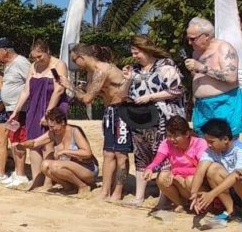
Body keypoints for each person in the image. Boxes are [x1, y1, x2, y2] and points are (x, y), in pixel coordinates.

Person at [125, 35, 186, 206]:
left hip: (162, 118)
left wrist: (151, 97)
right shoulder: (135, 70)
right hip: (140, 118)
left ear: (146, 49)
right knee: (140, 154)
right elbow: (127, 92)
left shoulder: (165, 65)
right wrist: (128, 79)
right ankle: (139, 197)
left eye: (136, 52)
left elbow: (177, 89)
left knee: (163, 155)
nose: (134, 56)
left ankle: (164, 199)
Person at [69, 43, 131, 203]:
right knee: (108, 153)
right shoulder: (92, 73)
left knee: (120, 154)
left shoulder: (101, 70)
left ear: (82, 57)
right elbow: (89, 94)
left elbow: (88, 99)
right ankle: (105, 190)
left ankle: (118, 191)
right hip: (110, 110)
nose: (76, 65)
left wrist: (69, 86)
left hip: (122, 110)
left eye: (75, 61)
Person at [10, 40, 69, 189]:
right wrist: (16, 111)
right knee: (33, 142)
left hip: (53, 107)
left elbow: (59, 90)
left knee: (47, 142)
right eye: (34, 57)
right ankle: (37, 178)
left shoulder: (59, 65)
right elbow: (26, 91)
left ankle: (49, 181)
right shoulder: (33, 66)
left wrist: (47, 114)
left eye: (40, 56)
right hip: (34, 107)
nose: (37, 60)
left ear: (47, 51)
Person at [15, 108, 96, 195]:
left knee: (55, 165)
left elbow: (87, 153)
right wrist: (23, 145)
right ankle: (68, 186)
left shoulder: (74, 131)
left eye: (53, 127)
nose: (51, 129)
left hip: (87, 169)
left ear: (62, 122)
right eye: (49, 127)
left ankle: (83, 186)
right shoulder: (53, 133)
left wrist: (65, 151)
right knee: (44, 166)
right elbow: (35, 143)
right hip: (68, 167)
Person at [183, 17, 242, 137]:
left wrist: (202, 68)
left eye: (193, 39)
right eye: (188, 38)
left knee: (225, 142)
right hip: (202, 106)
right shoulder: (196, 52)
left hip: (223, 104)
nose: (189, 42)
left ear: (206, 36)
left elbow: (231, 77)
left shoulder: (223, 48)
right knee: (205, 145)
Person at [143, 115, 207, 215]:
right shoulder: (166, 143)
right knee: (162, 177)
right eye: (169, 135)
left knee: (190, 180)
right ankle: (179, 204)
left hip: (198, 183)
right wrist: (150, 168)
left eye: (175, 136)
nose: (172, 139)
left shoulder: (200, 143)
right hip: (180, 182)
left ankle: (202, 206)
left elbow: (202, 170)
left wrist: (176, 171)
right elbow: (157, 160)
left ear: (187, 134)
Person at [0, 37, 32, 187]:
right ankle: (17, 171)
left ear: (5, 51)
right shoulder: (8, 65)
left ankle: (21, 174)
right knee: (13, 139)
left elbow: (30, 83)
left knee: (19, 139)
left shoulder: (21, 62)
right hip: (11, 110)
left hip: (20, 109)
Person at [190, 118, 242, 229]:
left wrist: (211, 194)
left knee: (238, 176)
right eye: (207, 142)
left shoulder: (239, 149)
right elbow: (200, 171)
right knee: (212, 169)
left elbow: (236, 175)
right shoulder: (211, 151)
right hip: (233, 191)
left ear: (225, 139)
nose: (208, 145)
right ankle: (231, 211)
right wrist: (194, 194)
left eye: (211, 142)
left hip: (239, 187)